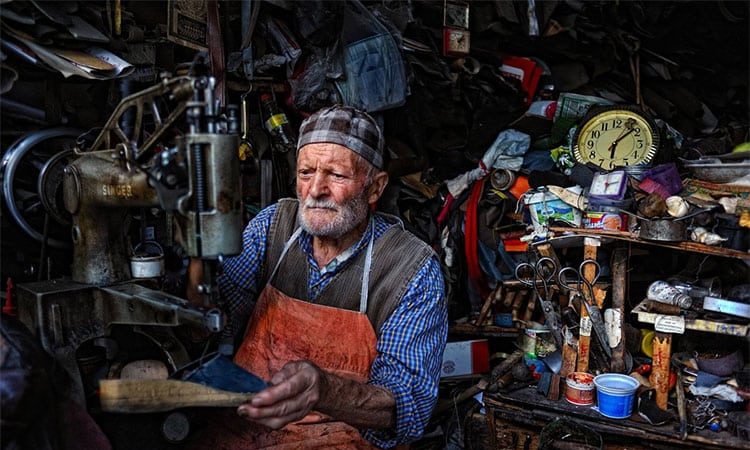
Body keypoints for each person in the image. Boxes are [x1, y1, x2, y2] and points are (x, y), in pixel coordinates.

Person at [191, 105, 447, 449]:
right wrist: (194, 263)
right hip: (239, 429)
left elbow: (406, 408)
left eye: (337, 176)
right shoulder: (271, 228)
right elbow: (218, 320)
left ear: (375, 188)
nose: (315, 190)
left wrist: (324, 390)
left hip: (336, 440)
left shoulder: (409, 269)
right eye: (306, 172)